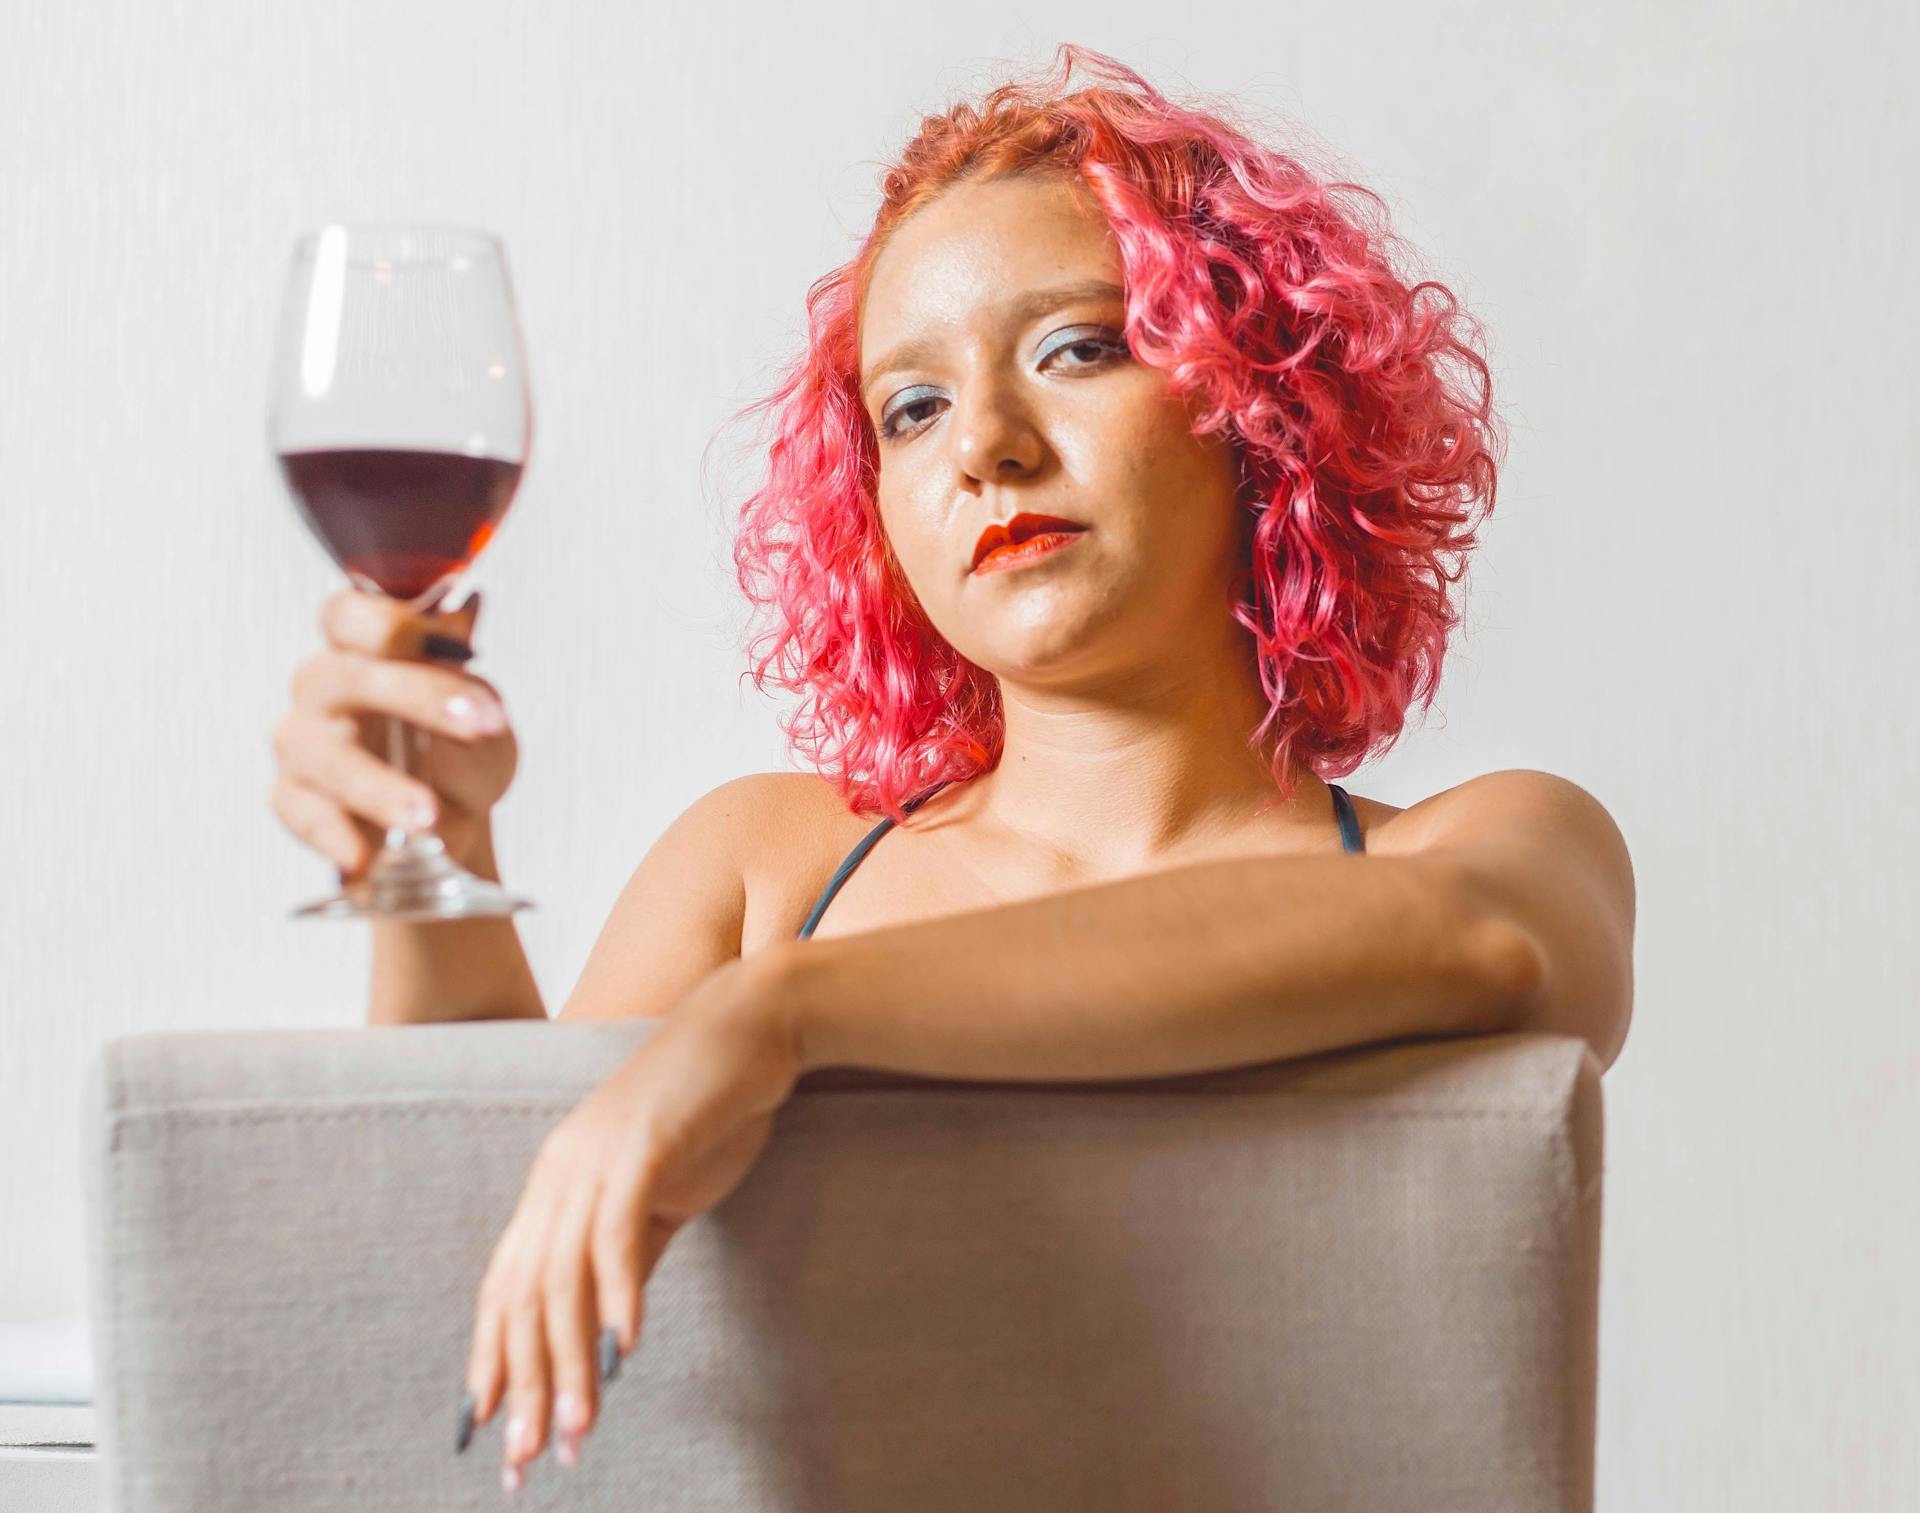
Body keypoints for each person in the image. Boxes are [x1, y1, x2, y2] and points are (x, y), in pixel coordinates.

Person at [268, 44, 1635, 1494]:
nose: (986, 444)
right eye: (910, 408)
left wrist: (780, 1016)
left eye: (1077, 348)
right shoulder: (758, 866)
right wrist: (433, 868)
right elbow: (475, 1312)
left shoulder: (1485, 849)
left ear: (1260, 404)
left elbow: (1480, 946)